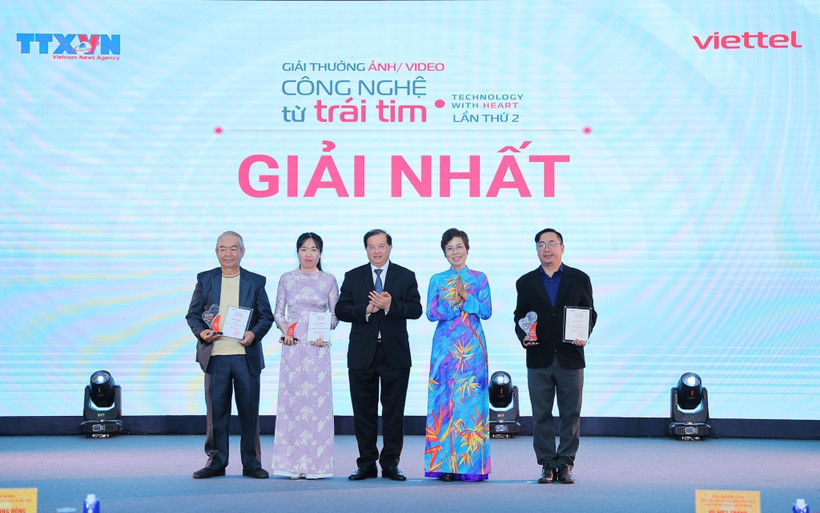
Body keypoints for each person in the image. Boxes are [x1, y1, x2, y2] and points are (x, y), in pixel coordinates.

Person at [335, 229, 423, 481]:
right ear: (366, 249)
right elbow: (341, 309)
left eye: (381, 246)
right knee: (364, 412)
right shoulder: (353, 276)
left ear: (390, 248)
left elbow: (416, 309)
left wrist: (389, 306)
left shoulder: (405, 276)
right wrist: (366, 309)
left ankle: (391, 463)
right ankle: (366, 464)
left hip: (395, 353)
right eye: (371, 247)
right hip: (362, 353)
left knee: (394, 412)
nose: (376, 251)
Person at [186, 231, 274, 479]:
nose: (228, 254)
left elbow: (266, 316)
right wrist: (202, 332)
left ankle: (252, 463)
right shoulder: (205, 279)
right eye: (223, 249)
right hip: (215, 356)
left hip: (245, 355)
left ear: (242, 252)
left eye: (233, 248)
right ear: (216, 252)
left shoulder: (255, 281)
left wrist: (253, 334)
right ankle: (216, 461)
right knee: (216, 414)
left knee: (249, 412)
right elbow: (193, 315)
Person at [514, 228, 596, 485]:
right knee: (541, 415)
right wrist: (523, 335)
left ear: (562, 247)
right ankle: (547, 464)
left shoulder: (580, 278)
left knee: (571, 414)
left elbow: (589, 312)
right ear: (536, 250)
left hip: (571, 356)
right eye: (541, 244)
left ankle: (566, 463)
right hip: (538, 356)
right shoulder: (525, 282)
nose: (546, 248)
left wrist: (584, 332)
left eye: (552, 243)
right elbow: (520, 316)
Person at [424, 228, 492, 482]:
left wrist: (467, 298)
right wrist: (452, 303)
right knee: (443, 404)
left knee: (470, 404)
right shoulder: (437, 280)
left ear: (467, 248)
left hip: (472, 349)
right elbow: (430, 313)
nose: (455, 252)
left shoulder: (479, 278)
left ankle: (470, 467)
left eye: (459, 247)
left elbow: (486, 311)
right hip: (444, 349)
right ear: (444, 252)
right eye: (450, 248)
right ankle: (444, 465)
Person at [271, 232, 339, 479]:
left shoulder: (329, 280)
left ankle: (317, 465)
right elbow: (279, 313)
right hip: (294, 346)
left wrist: (325, 331)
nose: (308, 254)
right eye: (304, 249)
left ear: (320, 253)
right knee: (293, 404)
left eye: (314, 249)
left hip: (317, 347)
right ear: (297, 252)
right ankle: (291, 464)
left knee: (317, 405)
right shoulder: (287, 279)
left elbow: (335, 314)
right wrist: (286, 331)